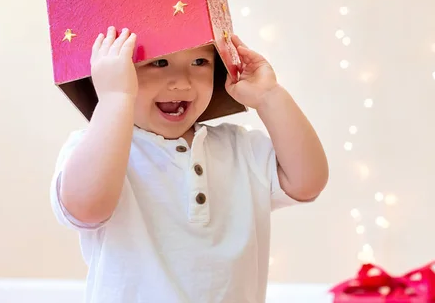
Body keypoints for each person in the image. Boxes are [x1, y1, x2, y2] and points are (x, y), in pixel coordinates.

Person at [50, 26, 329, 303]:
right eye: (159, 62)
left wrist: (270, 96)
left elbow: (308, 181)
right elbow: (86, 207)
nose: (182, 83)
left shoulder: (239, 148)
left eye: (199, 62)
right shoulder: (100, 149)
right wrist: (114, 98)